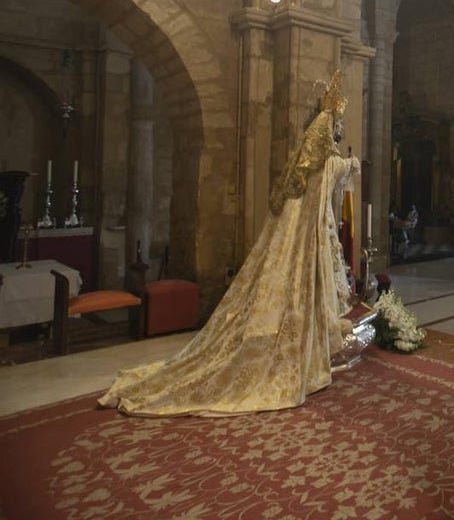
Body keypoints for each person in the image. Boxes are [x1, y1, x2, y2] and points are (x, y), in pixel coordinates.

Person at [99, 71, 360, 416]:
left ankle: (312, 351)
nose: (338, 130)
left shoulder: (305, 161)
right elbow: (335, 171)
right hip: (305, 243)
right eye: (337, 124)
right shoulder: (322, 161)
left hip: (305, 239)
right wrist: (353, 163)